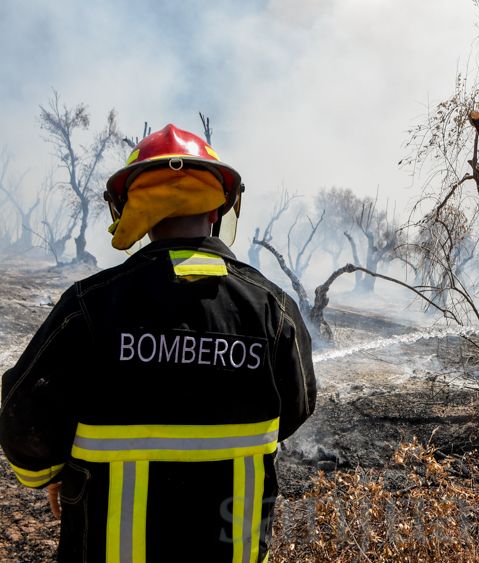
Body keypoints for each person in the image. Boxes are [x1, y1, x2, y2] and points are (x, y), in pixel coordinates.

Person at [0, 124, 316, 562]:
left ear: (137, 212)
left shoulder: (90, 306)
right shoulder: (271, 308)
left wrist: (51, 474)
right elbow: (297, 407)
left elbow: (23, 418)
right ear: (217, 208)